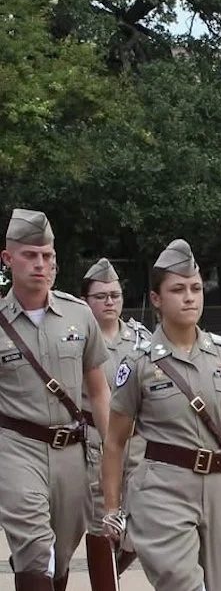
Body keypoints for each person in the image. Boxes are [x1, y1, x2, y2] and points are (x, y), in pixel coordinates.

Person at [101, 239, 221, 590]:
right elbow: (115, 442)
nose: (190, 297)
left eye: (196, 288)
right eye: (178, 289)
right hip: (163, 490)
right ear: (156, 299)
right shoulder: (138, 363)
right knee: (183, 584)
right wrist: (112, 508)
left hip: (219, 489)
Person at [0, 209, 111, 590]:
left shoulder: (79, 316)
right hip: (15, 449)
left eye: (47, 256)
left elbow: (98, 390)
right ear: (8, 259)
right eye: (30, 255)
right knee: (35, 546)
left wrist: (112, 453)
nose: (40, 264)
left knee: (59, 556)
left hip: (70, 453)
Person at [79, 258, 151, 587]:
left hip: (136, 445)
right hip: (95, 444)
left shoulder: (140, 338)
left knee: (142, 522)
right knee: (101, 526)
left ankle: (117, 566)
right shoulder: (77, 339)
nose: (110, 302)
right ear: (86, 301)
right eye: (101, 296)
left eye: (115, 295)